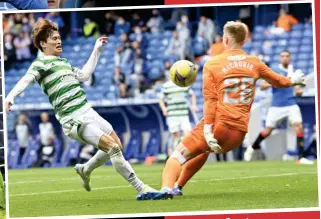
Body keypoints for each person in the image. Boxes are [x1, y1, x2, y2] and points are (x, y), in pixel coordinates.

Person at [137, 21, 306, 200]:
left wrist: (208, 130)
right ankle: (178, 186)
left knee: (176, 156)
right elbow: (279, 81)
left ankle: (166, 189)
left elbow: (210, 101)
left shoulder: (213, 64)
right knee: (203, 151)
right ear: (244, 41)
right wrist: (292, 80)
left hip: (218, 127)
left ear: (225, 40)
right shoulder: (255, 63)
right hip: (238, 134)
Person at [5, 18, 156, 200]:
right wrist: (10, 97)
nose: (59, 41)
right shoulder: (40, 64)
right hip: (73, 119)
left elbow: (84, 76)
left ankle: (85, 168)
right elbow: (25, 80)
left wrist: (96, 50)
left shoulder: (64, 63)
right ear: (43, 44)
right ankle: (142, 189)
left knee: (118, 145)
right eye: (54, 38)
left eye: (59, 37)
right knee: (113, 148)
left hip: (88, 111)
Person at [244, 51, 314, 165]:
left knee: (299, 127)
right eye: (282, 56)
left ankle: (300, 158)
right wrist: (277, 82)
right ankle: (252, 147)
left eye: (287, 56)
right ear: (279, 58)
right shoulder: (275, 71)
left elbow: (297, 91)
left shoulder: (293, 72)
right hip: (277, 106)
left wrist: (299, 91)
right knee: (267, 131)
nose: (285, 58)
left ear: (290, 58)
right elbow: (262, 86)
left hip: (291, 104)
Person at [159, 80, 198, 157]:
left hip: (183, 114)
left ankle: (185, 155)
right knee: (175, 137)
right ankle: (174, 156)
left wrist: (194, 105)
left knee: (187, 135)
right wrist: (164, 108)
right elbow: (161, 99)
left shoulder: (183, 84)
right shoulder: (166, 86)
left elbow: (192, 94)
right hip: (172, 115)